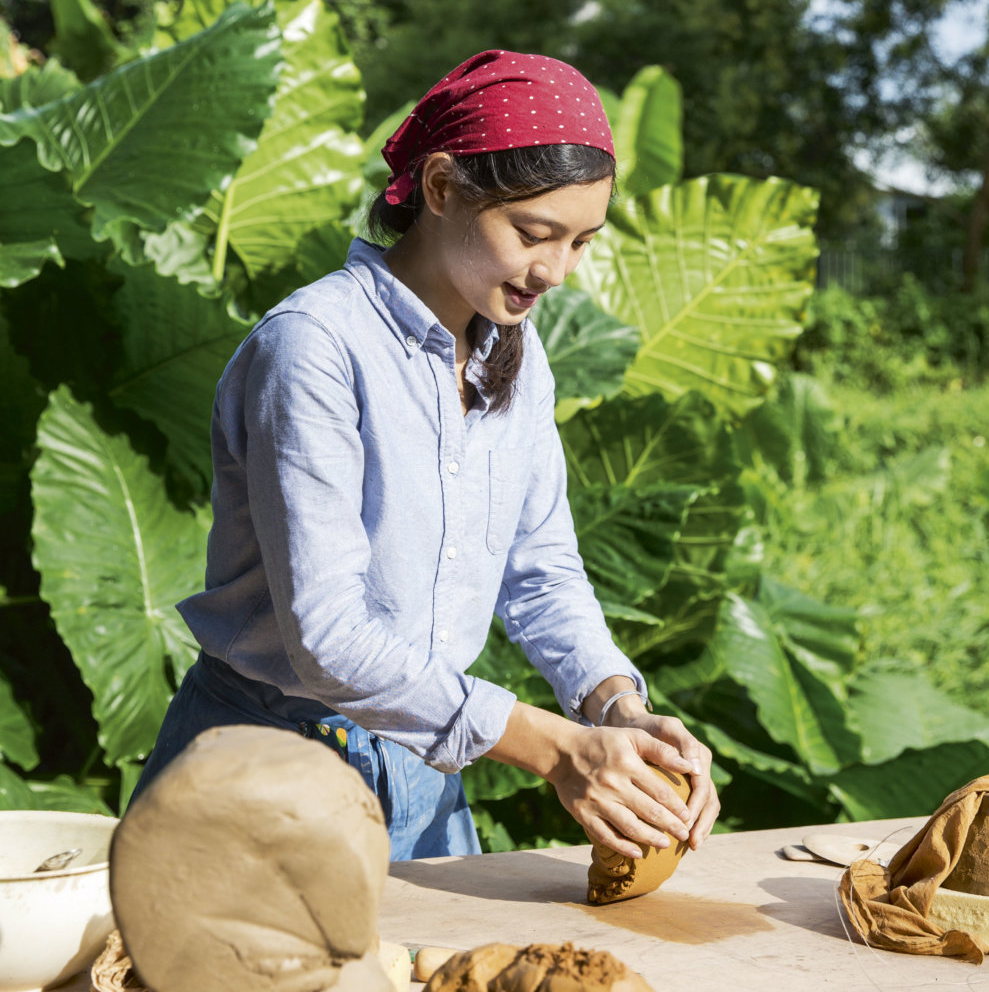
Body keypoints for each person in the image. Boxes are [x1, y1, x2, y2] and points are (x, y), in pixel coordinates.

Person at [133, 49, 720, 862]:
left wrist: (616, 705)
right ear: (440, 188)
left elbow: (541, 569)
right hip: (260, 773)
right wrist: (553, 749)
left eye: (582, 242)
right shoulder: (313, 349)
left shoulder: (517, 353)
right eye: (533, 234)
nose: (554, 272)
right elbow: (330, 636)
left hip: (424, 780)